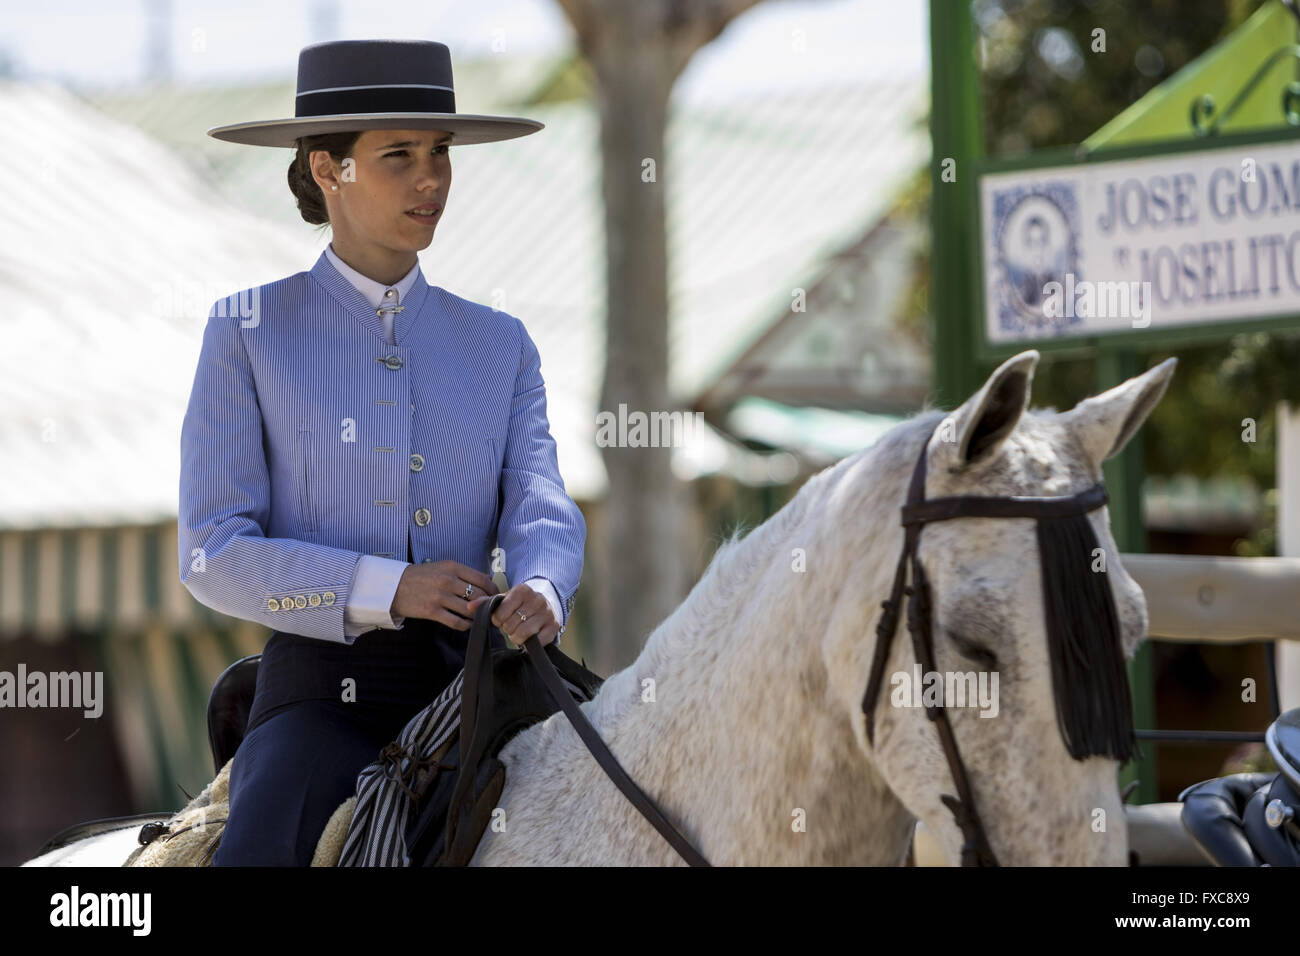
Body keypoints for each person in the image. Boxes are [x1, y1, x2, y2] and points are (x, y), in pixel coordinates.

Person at [178, 38, 585, 866]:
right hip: (322, 700)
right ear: (328, 170)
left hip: (486, 689)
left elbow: (540, 496)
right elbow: (212, 550)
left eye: (440, 152)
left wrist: (544, 582)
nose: (431, 178)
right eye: (398, 155)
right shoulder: (247, 332)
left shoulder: (499, 343)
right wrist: (387, 586)